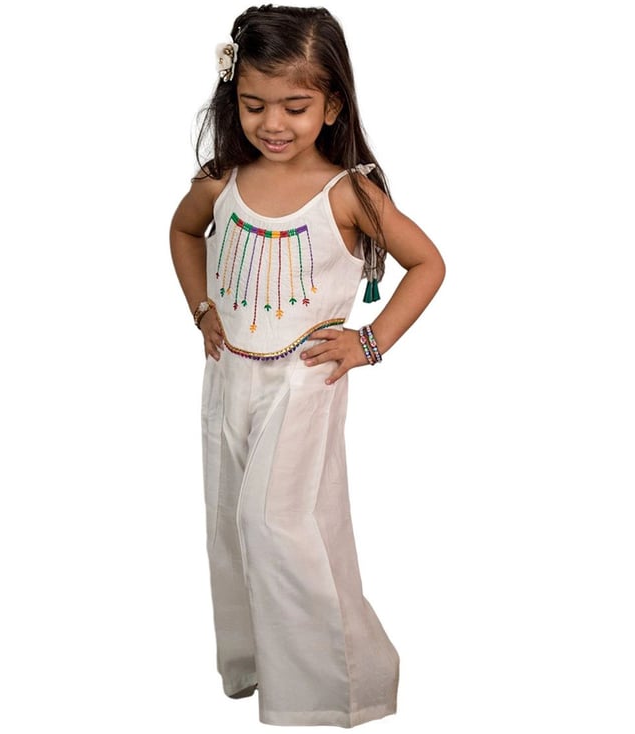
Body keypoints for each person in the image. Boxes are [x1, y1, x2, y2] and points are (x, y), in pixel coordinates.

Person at [170, 4, 445, 727]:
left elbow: (427, 264)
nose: (273, 123)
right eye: (253, 104)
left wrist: (369, 342)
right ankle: (258, 661)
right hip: (228, 377)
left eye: (294, 107)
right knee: (230, 521)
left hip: (303, 384)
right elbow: (183, 231)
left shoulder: (348, 192)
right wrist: (201, 307)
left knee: (277, 524)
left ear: (332, 106)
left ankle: (336, 686)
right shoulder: (222, 179)